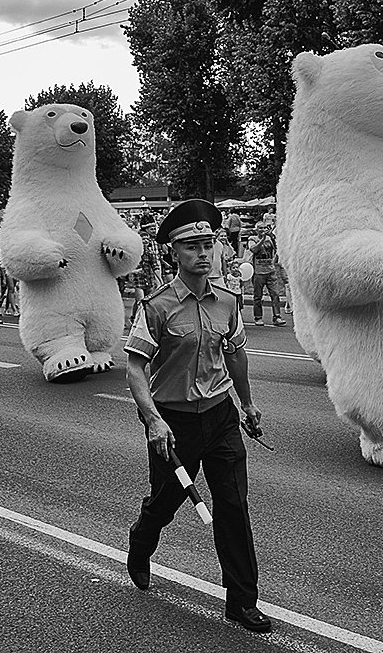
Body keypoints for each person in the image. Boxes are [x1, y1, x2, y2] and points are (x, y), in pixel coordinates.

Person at [123, 199, 272, 634]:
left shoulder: (228, 301)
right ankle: (142, 538)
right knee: (166, 501)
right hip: (174, 422)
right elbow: (135, 366)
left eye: (209, 244)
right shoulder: (156, 306)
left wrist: (247, 405)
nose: (203, 254)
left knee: (233, 507)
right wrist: (152, 419)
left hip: (221, 415)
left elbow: (236, 353)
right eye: (192, 246)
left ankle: (242, 601)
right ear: (174, 252)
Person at [247, 221, 285, 327]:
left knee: (275, 294)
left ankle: (277, 317)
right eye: (260, 228)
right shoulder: (252, 239)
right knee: (258, 296)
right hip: (258, 272)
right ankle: (258, 317)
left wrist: (272, 237)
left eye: (264, 228)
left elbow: (276, 249)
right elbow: (253, 249)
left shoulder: (269, 238)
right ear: (256, 230)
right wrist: (262, 239)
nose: (262, 230)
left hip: (270, 271)